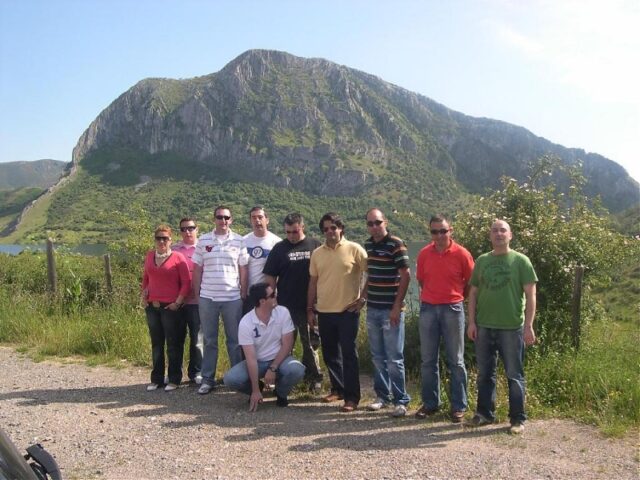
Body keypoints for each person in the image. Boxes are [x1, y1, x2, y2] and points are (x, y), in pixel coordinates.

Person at [466, 219, 538, 434]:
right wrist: (471, 322)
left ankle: (517, 419)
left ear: (510, 235)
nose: (499, 234)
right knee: (484, 374)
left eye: (503, 230)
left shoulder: (521, 261)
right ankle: (484, 414)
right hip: (484, 326)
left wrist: (528, 326)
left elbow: (531, 296)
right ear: (490, 236)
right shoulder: (482, 261)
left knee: (514, 375)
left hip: (512, 327)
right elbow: (473, 294)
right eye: (495, 230)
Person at [415, 214, 474, 423]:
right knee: (427, 360)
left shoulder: (462, 254)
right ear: (430, 232)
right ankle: (430, 404)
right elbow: (422, 281)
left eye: (443, 231)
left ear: (451, 231)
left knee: (456, 360)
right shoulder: (424, 254)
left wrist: (456, 297)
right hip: (428, 309)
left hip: (452, 309)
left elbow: (471, 282)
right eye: (434, 231)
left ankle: (459, 406)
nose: (439, 235)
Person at [307, 212, 368, 412]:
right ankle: (338, 389)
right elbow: (313, 282)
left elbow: (372, 272)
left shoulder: (355, 249)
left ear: (341, 228)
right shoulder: (317, 253)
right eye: (325, 229)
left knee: (349, 354)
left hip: (347, 311)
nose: (330, 232)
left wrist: (363, 298)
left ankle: (352, 398)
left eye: (333, 227)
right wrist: (310, 309)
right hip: (324, 311)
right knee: (330, 354)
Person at [192, 206, 249, 395]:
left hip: (232, 298)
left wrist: (243, 293)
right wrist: (198, 295)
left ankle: (237, 380)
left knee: (235, 341)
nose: (223, 220)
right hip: (208, 298)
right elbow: (197, 269)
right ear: (214, 219)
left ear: (231, 220)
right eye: (219, 217)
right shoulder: (203, 240)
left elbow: (243, 269)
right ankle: (208, 379)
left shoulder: (239, 240)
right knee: (209, 341)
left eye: (226, 217)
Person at [263, 213, 323, 392]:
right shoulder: (279, 249)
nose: (291, 236)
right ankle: (285, 380)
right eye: (288, 232)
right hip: (285, 307)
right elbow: (270, 277)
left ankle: (313, 379)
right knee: (284, 345)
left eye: (294, 232)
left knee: (311, 345)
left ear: (302, 227)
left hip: (310, 306)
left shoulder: (315, 245)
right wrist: (271, 301)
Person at [223, 283, 306, 411]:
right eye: (272, 295)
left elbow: (287, 344)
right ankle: (257, 388)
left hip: (280, 359)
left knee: (297, 370)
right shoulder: (246, 322)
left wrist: (273, 368)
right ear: (262, 301)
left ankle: (281, 392)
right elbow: (251, 359)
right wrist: (255, 390)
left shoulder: (283, 312)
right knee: (230, 379)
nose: (276, 296)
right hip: (258, 362)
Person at [363, 208, 412, 417]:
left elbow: (406, 275)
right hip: (372, 308)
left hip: (390, 310)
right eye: (370, 223)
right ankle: (382, 397)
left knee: (394, 358)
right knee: (377, 357)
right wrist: (362, 297)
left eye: (378, 222)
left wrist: (397, 306)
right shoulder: (368, 245)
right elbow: (371, 275)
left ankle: (401, 401)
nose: (374, 227)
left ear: (386, 222)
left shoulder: (396, 244)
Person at [141, 225, 191, 392]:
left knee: (173, 344)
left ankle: (174, 379)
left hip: (171, 308)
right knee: (156, 344)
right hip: (152, 307)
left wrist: (178, 302)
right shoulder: (150, 255)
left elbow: (186, 283)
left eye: (165, 238)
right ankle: (157, 379)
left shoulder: (178, 257)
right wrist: (144, 295)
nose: (161, 241)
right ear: (155, 240)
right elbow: (146, 278)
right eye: (158, 238)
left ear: (171, 240)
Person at [172, 217, 203, 385]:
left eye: (191, 228)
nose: (187, 231)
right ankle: (174, 374)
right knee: (176, 339)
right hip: (178, 301)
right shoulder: (174, 249)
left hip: (197, 301)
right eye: (184, 229)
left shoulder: (204, 247)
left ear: (197, 229)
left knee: (197, 339)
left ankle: (196, 372)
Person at [242, 206, 281, 313]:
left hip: (268, 296)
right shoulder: (243, 241)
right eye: (254, 217)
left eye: (260, 217)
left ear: (267, 220)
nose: (257, 220)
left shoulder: (277, 243)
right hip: (248, 296)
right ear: (250, 220)